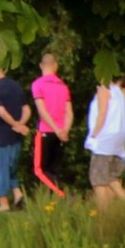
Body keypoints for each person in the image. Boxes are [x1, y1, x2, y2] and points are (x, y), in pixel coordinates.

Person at [84, 75, 125, 200]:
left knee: (99, 181)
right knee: (113, 178)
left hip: (104, 140)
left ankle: (105, 213)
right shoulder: (120, 94)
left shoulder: (104, 90)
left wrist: (93, 136)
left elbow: (102, 113)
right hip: (119, 142)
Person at [0, 62, 31, 211]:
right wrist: (21, 124)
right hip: (15, 137)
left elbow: (1, 111)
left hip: (0, 136)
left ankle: (3, 204)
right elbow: (26, 108)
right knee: (11, 167)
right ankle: (17, 194)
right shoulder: (16, 86)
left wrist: (15, 124)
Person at [30, 53, 73, 201]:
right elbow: (69, 111)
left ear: (41, 66)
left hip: (46, 131)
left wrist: (55, 128)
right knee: (53, 170)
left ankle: (63, 195)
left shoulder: (38, 84)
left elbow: (42, 111)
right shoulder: (63, 86)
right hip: (61, 133)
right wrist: (65, 130)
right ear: (56, 66)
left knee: (39, 170)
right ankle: (51, 201)